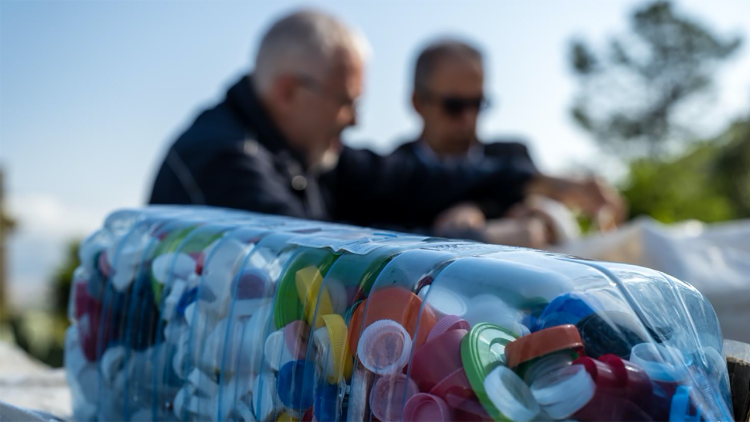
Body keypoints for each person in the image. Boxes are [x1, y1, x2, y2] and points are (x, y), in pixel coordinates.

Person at [149, 10, 621, 233]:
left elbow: (409, 180)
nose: (354, 121)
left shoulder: (302, 154)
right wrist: (464, 240)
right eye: (345, 101)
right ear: (290, 91)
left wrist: (537, 182)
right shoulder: (224, 158)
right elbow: (309, 265)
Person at [393, 39, 625, 246]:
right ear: (418, 102)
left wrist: (540, 216)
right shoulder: (394, 176)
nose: (469, 118)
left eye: (477, 103)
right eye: (454, 106)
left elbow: (544, 216)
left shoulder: (514, 156)